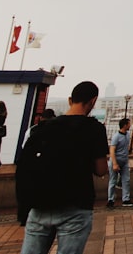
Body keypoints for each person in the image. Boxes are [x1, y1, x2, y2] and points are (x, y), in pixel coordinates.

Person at [16, 81, 108, 254]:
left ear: (69, 100)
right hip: (75, 205)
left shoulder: (42, 128)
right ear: (93, 101)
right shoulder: (93, 128)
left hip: (40, 205)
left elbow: (24, 166)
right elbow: (101, 169)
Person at [107, 118, 133, 208]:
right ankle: (110, 199)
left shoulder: (128, 135)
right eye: (129, 124)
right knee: (112, 181)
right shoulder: (116, 137)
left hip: (124, 161)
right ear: (125, 125)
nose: (130, 126)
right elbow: (112, 150)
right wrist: (114, 163)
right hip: (116, 160)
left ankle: (126, 199)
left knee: (126, 180)